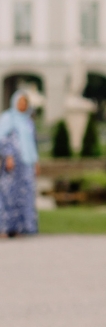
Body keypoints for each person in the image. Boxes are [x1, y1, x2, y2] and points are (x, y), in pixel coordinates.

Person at [0, 89, 40, 238]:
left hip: (26, 163)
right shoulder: (8, 118)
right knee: (8, 194)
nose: (22, 105)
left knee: (26, 195)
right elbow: (2, 138)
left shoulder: (28, 121)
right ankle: (5, 227)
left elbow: (32, 143)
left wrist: (36, 162)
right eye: (20, 102)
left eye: (25, 102)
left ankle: (22, 228)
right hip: (12, 164)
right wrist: (8, 155)